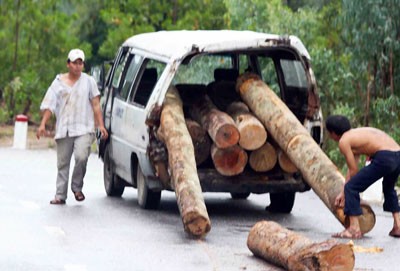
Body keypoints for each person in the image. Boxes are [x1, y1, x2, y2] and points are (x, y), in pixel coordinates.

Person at [36, 48, 108, 205]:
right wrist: (43, 124)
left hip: (84, 127)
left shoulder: (89, 82)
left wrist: (101, 125)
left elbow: (96, 104)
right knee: (63, 163)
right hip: (64, 128)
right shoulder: (58, 83)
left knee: (81, 156)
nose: (78, 66)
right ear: (68, 64)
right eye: (75, 63)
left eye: (80, 63)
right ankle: (60, 195)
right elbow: (50, 105)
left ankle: (77, 187)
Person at [326, 115, 400, 239]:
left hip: (384, 157)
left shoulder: (344, 141)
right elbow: (352, 167)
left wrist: (345, 192)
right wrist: (345, 189)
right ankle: (398, 226)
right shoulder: (355, 135)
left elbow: (354, 171)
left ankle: (354, 229)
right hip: (398, 155)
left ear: (333, 132)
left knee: (351, 187)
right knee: (388, 188)